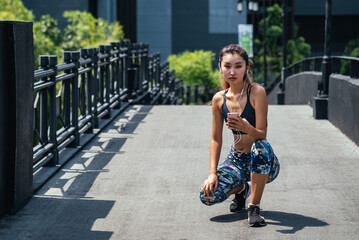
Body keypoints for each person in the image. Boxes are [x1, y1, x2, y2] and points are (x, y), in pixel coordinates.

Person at [199, 44, 280, 227]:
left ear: (247, 68)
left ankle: (254, 207)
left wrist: (245, 127)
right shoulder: (219, 99)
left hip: (263, 160)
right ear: (220, 67)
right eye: (227, 66)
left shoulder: (257, 92)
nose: (232, 71)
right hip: (236, 160)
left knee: (261, 147)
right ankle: (242, 189)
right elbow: (215, 139)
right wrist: (212, 174)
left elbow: (262, 136)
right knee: (207, 195)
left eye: (238, 66)